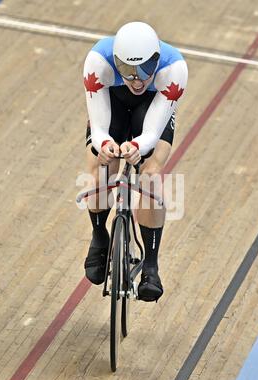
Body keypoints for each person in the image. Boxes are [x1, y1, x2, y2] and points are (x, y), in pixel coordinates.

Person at [83, 22, 188, 302]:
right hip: (113, 106)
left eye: (144, 69)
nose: (137, 79)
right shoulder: (97, 62)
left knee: (150, 176)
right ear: (116, 63)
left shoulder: (173, 69)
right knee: (100, 171)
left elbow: (152, 132)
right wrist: (105, 145)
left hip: (152, 108)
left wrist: (136, 146)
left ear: (156, 59)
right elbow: (99, 128)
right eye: (128, 71)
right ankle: (99, 237)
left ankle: (151, 267)